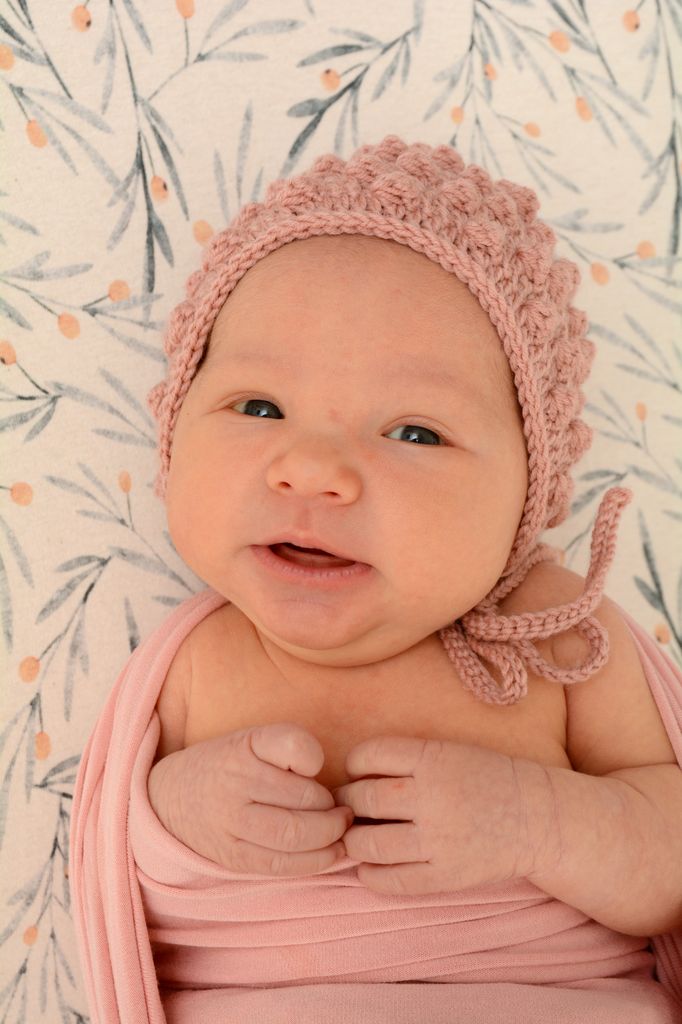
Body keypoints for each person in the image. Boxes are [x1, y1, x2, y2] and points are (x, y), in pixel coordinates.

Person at [69, 135, 682, 1023]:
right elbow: (112, 861)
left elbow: (669, 869)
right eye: (260, 407)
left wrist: (540, 822)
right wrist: (180, 812)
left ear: (530, 489)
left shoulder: (560, 640)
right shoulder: (195, 658)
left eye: (414, 433)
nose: (313, 471)